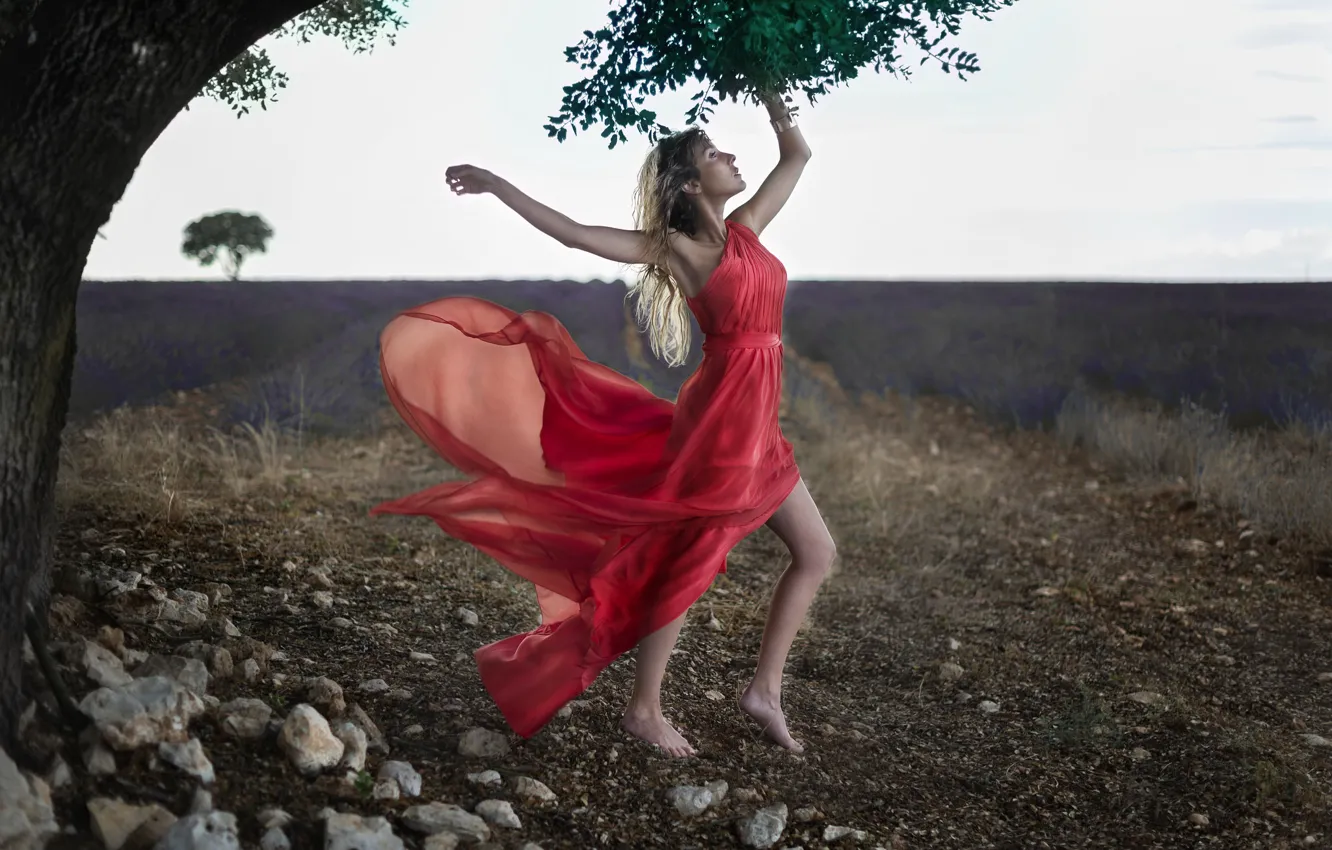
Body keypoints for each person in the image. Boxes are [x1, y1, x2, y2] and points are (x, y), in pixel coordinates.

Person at [370, 92, 836, 758]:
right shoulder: (674, 249)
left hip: (758, 427)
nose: (732, 159)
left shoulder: (748, 229)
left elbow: (798, 153)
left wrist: (772, 94)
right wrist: (499, 185)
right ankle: (644, 709)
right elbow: (573, 234)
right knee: (687, 563)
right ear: (687, 181)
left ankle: (763, 690)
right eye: (714, 154)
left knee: (815, 553)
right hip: (724, 428)